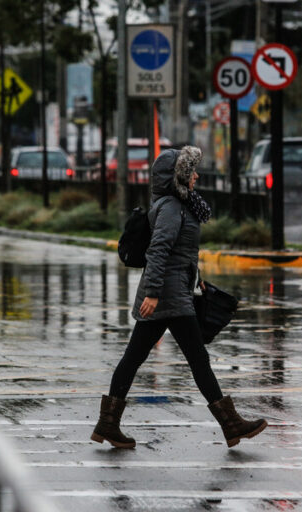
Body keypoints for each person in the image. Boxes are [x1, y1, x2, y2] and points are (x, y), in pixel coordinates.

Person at [91, 146, 268, 449]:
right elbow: (158, 250)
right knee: (197, 360)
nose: (197, 175)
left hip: (174, 291)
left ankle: (108, 424)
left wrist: (194, 280)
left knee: (136, 357)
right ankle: (231, 424)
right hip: (167, 296)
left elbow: (181, 253)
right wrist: (154, 293)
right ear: (177, 178)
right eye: (191, 172)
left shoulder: (181, 205)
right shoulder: (172, 207)